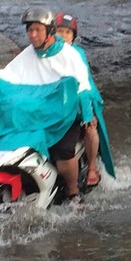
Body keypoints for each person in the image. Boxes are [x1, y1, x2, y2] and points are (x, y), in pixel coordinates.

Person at [0, 8, 110, 206]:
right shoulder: (28, 55)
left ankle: (73, 194)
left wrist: (87, 115)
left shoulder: (69, 55)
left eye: (37, 30)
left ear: (49, 31)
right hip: (37, 114)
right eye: (30, 30)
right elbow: (9, 76)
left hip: (63, 113)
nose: (33, 35)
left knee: (63, 152)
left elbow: (82, 85)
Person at [55, 12, 113, 187]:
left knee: (90, 129)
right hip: (57, 104)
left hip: (81, 101)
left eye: (67, 32)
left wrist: (87, 114)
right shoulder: (48, 53)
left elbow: (83, 84)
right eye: (60, 31)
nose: (63, 36)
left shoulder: (77, 54)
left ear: (73, 36)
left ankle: (92, 168)